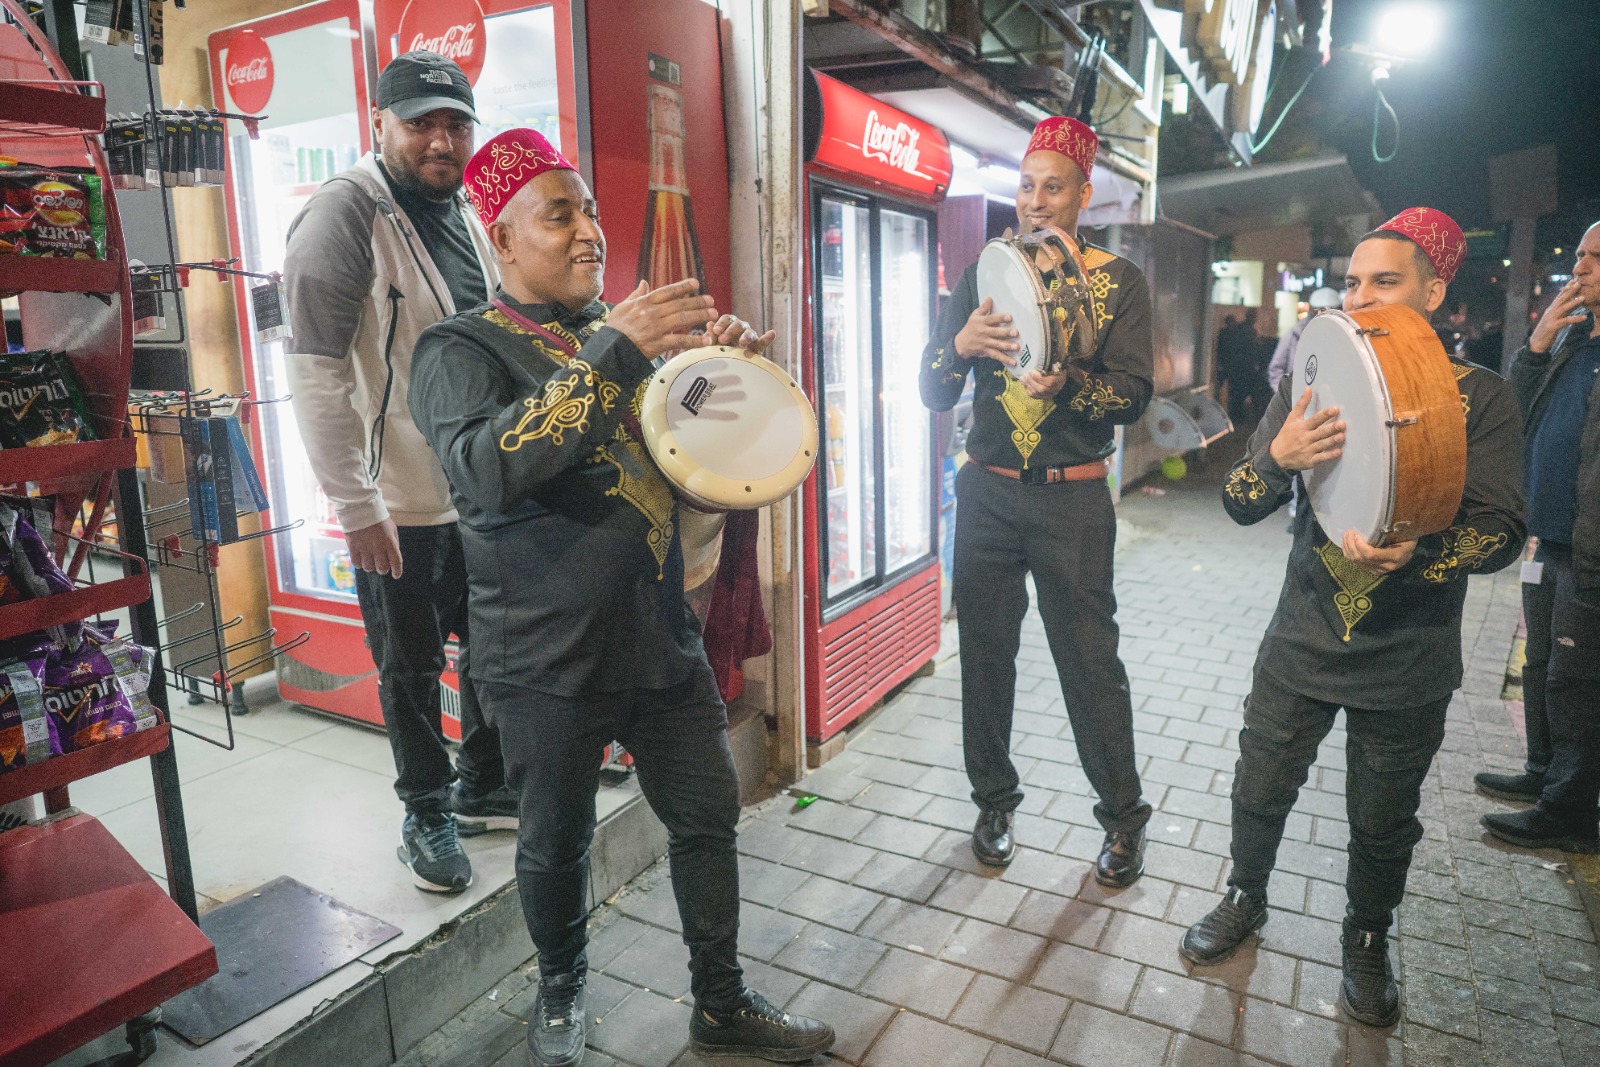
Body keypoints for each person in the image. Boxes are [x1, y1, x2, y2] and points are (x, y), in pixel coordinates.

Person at [408, 128, 834, 1067]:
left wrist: (727, 386)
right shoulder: (459, 348)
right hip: (540, 660)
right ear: (504, 239)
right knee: (554, 844)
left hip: (656, 638)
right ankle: (561, 989)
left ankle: (719, 1001)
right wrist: (616, 349)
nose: (589, 229)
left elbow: (695, 477)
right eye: (560, 213)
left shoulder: (626, 345)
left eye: (591, 209)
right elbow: (482, 474)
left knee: (706, 815)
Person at [1181, 208, 1526, 1028]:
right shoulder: (1314, 376)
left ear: (1434, 291)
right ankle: (1244, 893)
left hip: (1408, 656)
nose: (1361, 296)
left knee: (1382, 818)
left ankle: (1367, 937)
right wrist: (1277, 458)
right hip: (1303, 637)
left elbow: (1504, 530)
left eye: (1386, 281)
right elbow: (1236, 502)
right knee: (1259, 784)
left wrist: (1424, 554)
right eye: (1353, 281)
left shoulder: (1480, 398)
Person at [282, 51, 515, 895]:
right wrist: (355, 503)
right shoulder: (343, 215)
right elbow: (314, 373)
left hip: (478, 489)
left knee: (493, 650)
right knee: (411, 666)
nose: (441, 139)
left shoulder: (464, 212)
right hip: (400, 501)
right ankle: (425, 810)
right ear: (379, 123)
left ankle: (483, 781)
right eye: (422, 122)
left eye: (455, 123)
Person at [920, 116, 1153, 887]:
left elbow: (1133, 394)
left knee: (1089, 662)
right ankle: (993, 802)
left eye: (1053, 187)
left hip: (1073, 502)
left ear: (1083, 195)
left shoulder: (1117, 282)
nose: (1035, 201)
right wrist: (958, 349)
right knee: (985, 656)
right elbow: (931, 386)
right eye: (1026, 186)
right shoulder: (986, 272)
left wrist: (1071, 385)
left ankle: (1123, 818)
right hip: (985, 495)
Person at [1478, 220, 1600, 853]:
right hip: (1549, 538)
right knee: (1542, 665)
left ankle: (1572, 811)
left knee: (1579, 683)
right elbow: (1512, 411)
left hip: (1591, 549)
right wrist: (1538, 341)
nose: (1579, 269)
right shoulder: (1576, 345)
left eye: (1595, 258)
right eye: (1578, 255)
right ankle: (1541, 774)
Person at [1267, 286, 1342, 391]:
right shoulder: (1294, 334)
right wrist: (1287, 397)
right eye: (1317, 311)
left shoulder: (1343, 336)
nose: (1321, 316)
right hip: (1299, 400)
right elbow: (1276, 369)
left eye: (1328, 312)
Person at [1216, 312, 1260, 422]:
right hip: (1239, 367)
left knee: (1235, 392)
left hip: (1234, 367)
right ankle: (1237, 415)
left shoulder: (1231, 332)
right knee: (1239, 391)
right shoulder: (1245, 331)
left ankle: (1235, 414)